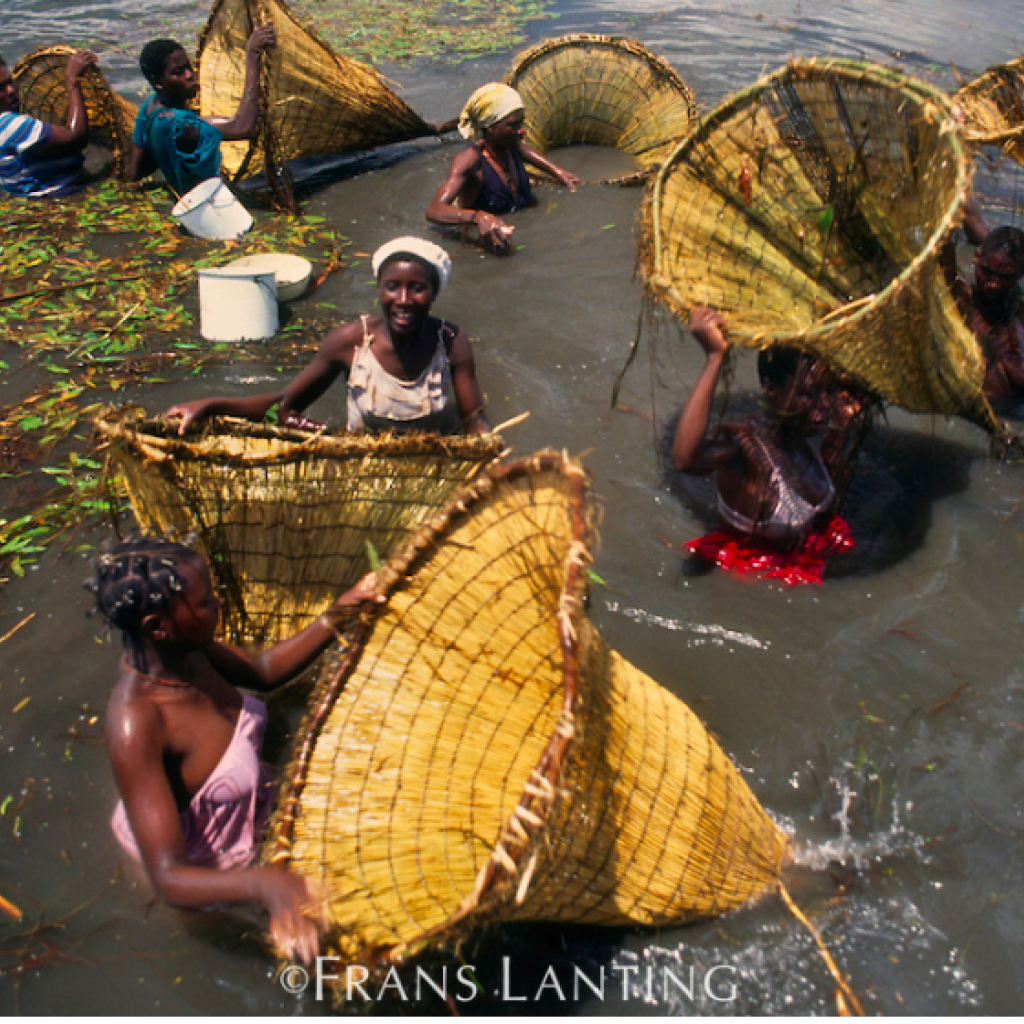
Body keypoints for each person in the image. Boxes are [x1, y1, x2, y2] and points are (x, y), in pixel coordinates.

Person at [91, 537, 383, 964]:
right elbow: (170, 877)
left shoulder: (189, 654)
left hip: (246, 826)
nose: (218, 603)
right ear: (159, 626)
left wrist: (341, 610)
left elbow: (263, 672)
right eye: (206, 600)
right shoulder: (136, 723)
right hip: (204, 874)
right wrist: (266, 885)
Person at [166, 236, 491, 436]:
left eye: (417, 288)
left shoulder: (449, 341)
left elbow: (475, 422)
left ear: (433, 293)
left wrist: (489, 460)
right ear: (379, 289)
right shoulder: (350, 342)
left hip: (432, 459)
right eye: (393, 287)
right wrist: (210, 405)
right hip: (365, 460)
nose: (403, 300)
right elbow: (282, 407)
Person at [670, 306, 872, 584]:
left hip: (808, 561)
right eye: (808, 393)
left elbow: (818, 496)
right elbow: (685, 459)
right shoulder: (743, 445)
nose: (825, 404)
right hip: (756, 578)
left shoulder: (804, 435)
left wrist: (840, 429)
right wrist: (715, 357)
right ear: (771, 389)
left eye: (828, 390)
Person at [425, 82, 580, 251]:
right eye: (513, 125)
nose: (522, 131)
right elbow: (434, 210)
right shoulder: (470, 160)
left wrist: (557, 172)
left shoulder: (511, 147)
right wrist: (478, 217)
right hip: (480, 243)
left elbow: (524, 150)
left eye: (521, 123)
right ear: (491, 127)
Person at [126, 25, 275, 196]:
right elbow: (244, 127)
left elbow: (135, 170)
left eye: (188, 66)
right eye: (178, 72)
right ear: (157, 82)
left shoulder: (149, 108)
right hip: (203, 200)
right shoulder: (180, 125)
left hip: (181, 195)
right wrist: (252, 55)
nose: (190, 75)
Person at [941, 195, 1024, 404]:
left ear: (1019, 275)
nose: (994, 284)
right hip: (985, 408)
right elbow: (943, 251)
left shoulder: (1017, 309)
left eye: (1006, 278)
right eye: (987, 272)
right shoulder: (961, 298)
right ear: (975, 259)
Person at [0, 49, 99, 197]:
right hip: (59, 197)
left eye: (10, 82)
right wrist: (72, 79)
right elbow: (76, 137)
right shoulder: (9, 125)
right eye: (1, 88)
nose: (11, 90)